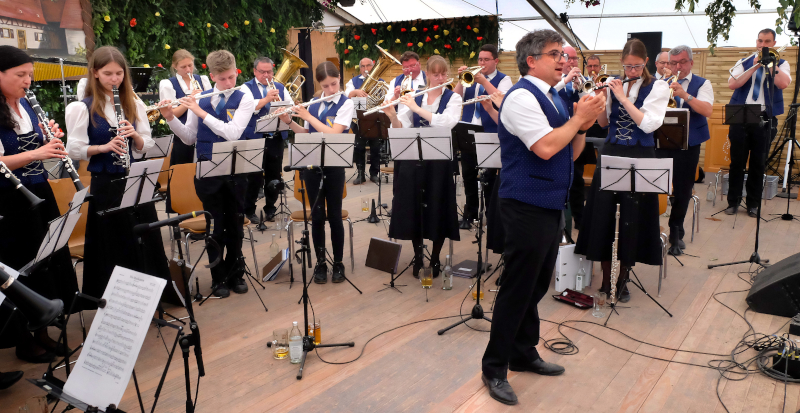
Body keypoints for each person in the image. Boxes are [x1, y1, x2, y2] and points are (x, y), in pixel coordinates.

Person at [481, 30, 606, 406]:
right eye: (555, 54)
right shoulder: (521, 97)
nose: (563, 60)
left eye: (563, 55)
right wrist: (577, 119)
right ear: (531, 61)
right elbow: (547, 147)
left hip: (550, 202)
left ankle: (523, 352)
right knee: (518, 288)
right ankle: (494, 366)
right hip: (524, 204)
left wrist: (582, 125)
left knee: (536, 285)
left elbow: (571, 152)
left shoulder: (554, 96)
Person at [65, 46, 171, 303]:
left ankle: (148, 298)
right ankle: (117, 302)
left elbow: (146, 144)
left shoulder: (133, 103)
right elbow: (73, 149)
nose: (115, 79)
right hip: (106, 183)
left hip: (133, 179)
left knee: (142, 236)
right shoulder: (82, 107)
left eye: (119, 74)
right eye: (108, 73)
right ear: (95, 73)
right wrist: (103, 147)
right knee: (114, 241)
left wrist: (135, 136)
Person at [0, 45, 80, 369]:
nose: (27, 81)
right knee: (21, 264)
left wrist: (50, 142)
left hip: (38, 192)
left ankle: (43, 330)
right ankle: (24, 340)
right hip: (9, 199)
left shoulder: (27, 106)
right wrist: (38, 153)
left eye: (30, 75)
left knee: (45, 260)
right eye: (20, 75)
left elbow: (39, 150)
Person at [575, 38, 670, 303]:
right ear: (622, 63)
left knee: (632, 217)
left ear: (646, 62)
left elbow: (648, 124)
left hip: (640, 154)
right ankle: (606, 280)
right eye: (628, 66)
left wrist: (622, 98)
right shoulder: (614, 83)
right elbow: (605, 123)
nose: (632, 71)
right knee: (604, 216)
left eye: (637, 66)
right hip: (612, 152)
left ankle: (623, 281)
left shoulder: (658, 86)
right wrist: (601, 99)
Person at [159, 50, 256, 298]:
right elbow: (189, 137)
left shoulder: (245, 97)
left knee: (235, 224)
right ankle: (218, 277)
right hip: (207, 170)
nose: (228, 83)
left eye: (232, 77)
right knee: (215, 226)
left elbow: (233, 133)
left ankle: (236, 273)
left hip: (236, 170)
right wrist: (170, 118)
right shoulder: (200, 98)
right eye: (222, 79)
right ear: (212, 76)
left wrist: (202, 112)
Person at [382, 55, 461, 279]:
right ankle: (418, 256)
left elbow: (447, 122)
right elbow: (402, 128)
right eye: (436, 74)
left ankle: (435, 258)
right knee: (413, 207)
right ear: (427, 74)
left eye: (443, 74)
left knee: (438, 206)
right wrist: (392, 114)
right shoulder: (415, 96)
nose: (440, 78)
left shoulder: (453, 98)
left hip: (439, 162)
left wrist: (416, 108)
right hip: (413, 159)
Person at [279, 61, 353, 284]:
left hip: (334, 166)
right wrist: (289, 121)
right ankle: (320, 263)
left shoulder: (346, 103)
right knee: (317, 216)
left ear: (339, 79)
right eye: (326, 85)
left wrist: (307, 115)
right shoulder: (314, 103)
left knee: (335, 216)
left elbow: (335, 133)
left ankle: (338, 263)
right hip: (312, 167)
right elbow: (307, 133)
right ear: (319, 84)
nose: (331, 89)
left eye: (334, 84)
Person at [726, 28, 791, 217]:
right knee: (737, 162)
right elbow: (732, 83)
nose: (763, 45)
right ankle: (733, 202)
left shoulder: (781, 63)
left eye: (767, 42)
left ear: (774, 44)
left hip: (765, 116)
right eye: (760, 41)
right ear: (756, 42)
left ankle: (753, 204)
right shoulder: (744, 62)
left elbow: (783, 83)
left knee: (758, 163)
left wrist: (770, 65)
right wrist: (754, 66)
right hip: (740, 113)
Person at [657, 45, 713, 254]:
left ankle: (676, 231)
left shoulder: (702, 83)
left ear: (691, 62)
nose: (677, 67)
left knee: (683, 189)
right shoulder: (660, 82)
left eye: (682, 62)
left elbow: (707, 110)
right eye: (673, 63)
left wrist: (685, 95)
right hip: (661, 140)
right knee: (655, 186)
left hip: (688, 144)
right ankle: (653, 230)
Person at [453, 44, 512, 228]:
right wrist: (460, 80)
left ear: (496, 61)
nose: (482, 63)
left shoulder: (504, 79)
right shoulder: (470, 78)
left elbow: (503, 100)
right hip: (468, 129)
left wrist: (483, 81)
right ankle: (470, 214)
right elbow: (455, 99)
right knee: (468, 174)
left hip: (490, 131)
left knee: (490, 177)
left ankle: (490, 215)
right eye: (480, 59)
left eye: (486, 59)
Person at [242, 56, 291, 224]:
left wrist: (285, 109)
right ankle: (249, 209)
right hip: (255, 137)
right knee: (253, 176)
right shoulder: (246, 87)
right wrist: (266, 99)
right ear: (255, 71)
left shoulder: (280, 87)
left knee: (274, 175)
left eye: (269, 71)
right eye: (262, 72)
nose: (266, 75)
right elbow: (248, 109)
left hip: (275, 137)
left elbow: (290, 107)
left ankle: (270, 208)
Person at [568, 54, 604, 231]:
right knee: (573, 177)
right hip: (569, 130)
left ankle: (580, 218)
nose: (592, 69)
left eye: (595, 66)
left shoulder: (599, 81)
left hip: (586, 132)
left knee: (578, 178)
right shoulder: (567, 81)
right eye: (589, 66)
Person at [158, 49, 212, 166]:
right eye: (183, 67)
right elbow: (172, 114)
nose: (188, 70)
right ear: (175, 66)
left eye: (190, 65)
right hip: (182, 136)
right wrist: (190, 99)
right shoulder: (168, 84)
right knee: (183, 171)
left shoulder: (203, 80)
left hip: (204, 133)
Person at [345, 57, 383, 185]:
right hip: (358, 119)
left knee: (375, 147)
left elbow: (384, 97)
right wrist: (356, 91)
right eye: (363, 66)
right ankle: (360, 174)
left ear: (373, 66)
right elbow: (346, 95)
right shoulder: (353, 81)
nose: (366, 69)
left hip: (375, 119)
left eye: (368, 66)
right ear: (360, 68)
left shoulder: (380, 81)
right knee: (359, 147)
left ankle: (374, 174)